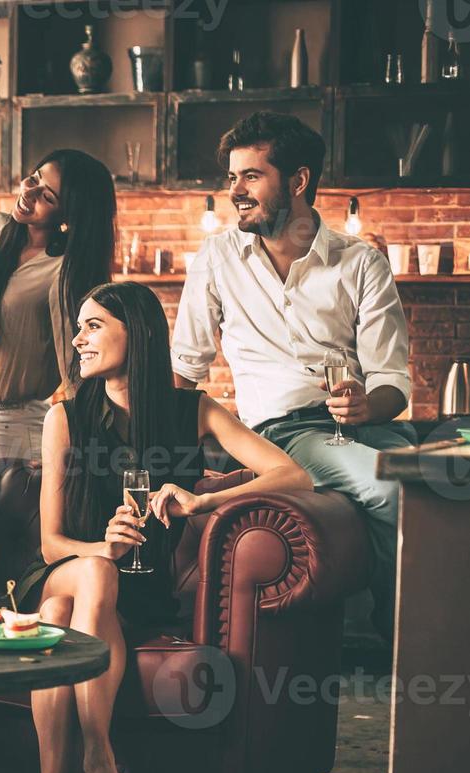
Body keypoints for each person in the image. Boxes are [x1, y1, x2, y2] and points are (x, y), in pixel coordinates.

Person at [17, 282, 312, 773]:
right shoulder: (66, 417)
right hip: (63, 572)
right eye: (79, 326)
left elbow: (292, 475)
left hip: (137, 593)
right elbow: (51, 545)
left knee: (56, 622)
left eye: (93, 325)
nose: (78, 339)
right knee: (91, 576)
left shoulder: (191, 410)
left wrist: (202, 501)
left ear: (139, 332)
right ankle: (97, 761)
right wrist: (100, 545)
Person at [172, 111, 415, 638]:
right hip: (284, 434)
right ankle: (405, 636)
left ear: (298, 180)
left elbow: (393, 383)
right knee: (397, 493)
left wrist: (365, 405)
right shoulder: (216, 259)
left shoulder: (360, 262)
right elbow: (184, 370)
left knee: (439, 487)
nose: (235, 190)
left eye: (251, 176)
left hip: (369, 428)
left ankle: (391, 632)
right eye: (232, 177)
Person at [0, 149, 117, 462]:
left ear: (68, 217)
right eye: (33, 179)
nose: (28, 193)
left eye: (46, 196)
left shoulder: (63, 271)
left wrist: (87, 438)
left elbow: (73, 360)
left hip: (8, 423)